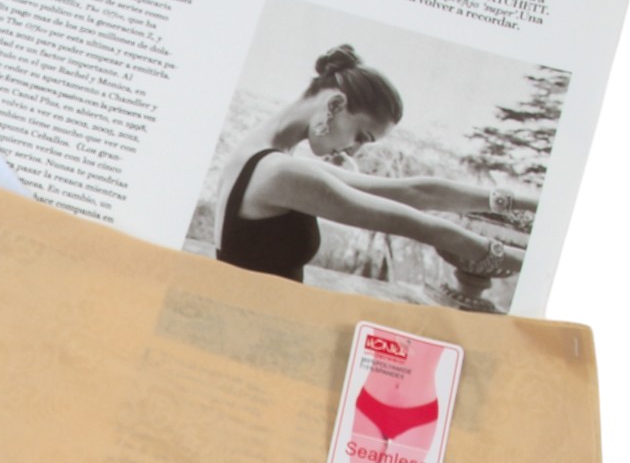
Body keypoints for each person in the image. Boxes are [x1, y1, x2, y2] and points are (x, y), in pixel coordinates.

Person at [215, 45, 534, 298]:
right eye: (361, 136)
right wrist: (533, 263)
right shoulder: (279, 174)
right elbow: (422, 227)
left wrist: (527, 204)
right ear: (335, 106)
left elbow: (414, 192)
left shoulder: (264, 156)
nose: (352, 151)